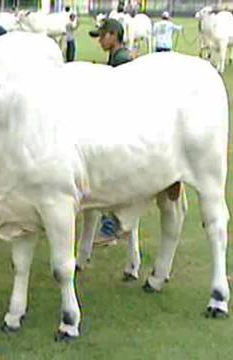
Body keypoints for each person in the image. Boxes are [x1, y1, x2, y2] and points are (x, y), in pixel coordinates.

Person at [89, 18, 133, 245]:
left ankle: (112, 225)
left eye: (102, 36)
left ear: (114, 35)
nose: (99, 40)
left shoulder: (123, 60)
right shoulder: (116, 57)